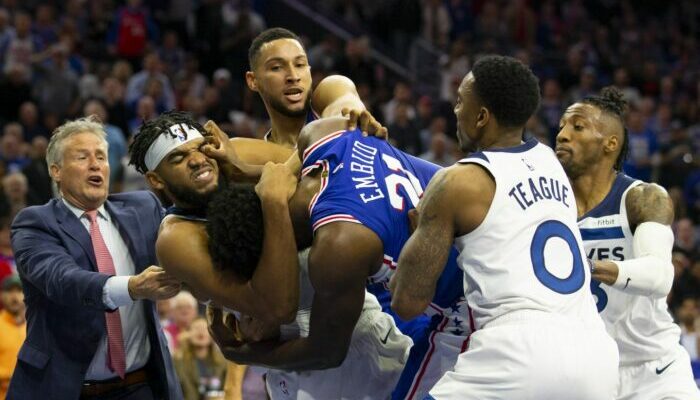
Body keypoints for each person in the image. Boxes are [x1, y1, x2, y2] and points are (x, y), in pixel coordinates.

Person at [391, 55, 619, 399]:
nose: (454, 112)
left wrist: (416, 238)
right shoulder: (552, 162)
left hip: (518, 353)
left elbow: (407, 302)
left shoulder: (456, 181)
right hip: (598, 357)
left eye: (459, 103)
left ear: (481, 117)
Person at [207, 114, 468, 400]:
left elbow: (326, 352)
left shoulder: (338, 244)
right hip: (488, 241)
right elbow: (340, 89)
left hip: (469, 307)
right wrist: (246, 171)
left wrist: (245, 354)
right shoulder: (324, 134)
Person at [8, 116, 183, 399]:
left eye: (101, 156)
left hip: (141, 386)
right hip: (66, 388)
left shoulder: (143, 207)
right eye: (82, 157)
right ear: (56, 171)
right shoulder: (35, 223)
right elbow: (61, 279)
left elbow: (190, 238)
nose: (95, 164)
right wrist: (132, 287)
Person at [556, 87, 700, 399]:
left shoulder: (642, 198)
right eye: (562, 126)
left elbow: (659, 276)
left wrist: (589, 267)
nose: (563, 135)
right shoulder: (546, 206)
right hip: (586, 375)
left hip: (654, 370)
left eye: (577, 126)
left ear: (611, 143)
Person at [173, 317, 228, 400]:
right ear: (187, 334)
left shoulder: (223, 361)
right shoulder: (178, 361)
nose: (200, 332)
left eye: (204, 328)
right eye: (196, 328)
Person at [0, 274, 25, 399]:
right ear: (1, 295)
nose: (14, 297)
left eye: (19, 290)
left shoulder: (32, 327)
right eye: (9, 291)